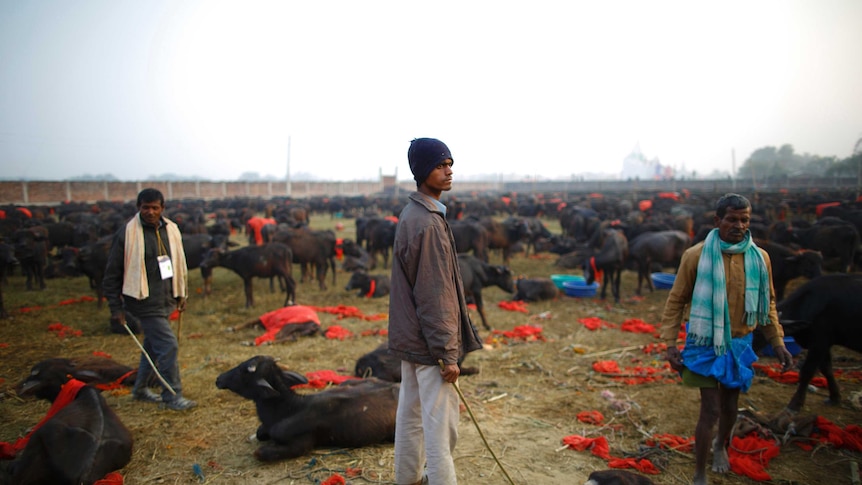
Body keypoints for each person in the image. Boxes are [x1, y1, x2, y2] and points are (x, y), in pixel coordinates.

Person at [660, 193, 793, 485]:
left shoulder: (760, 258)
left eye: (744, 219)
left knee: (731, 406)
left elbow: (768, 303)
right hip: (704, 342)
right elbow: (676, 301)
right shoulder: (695, 256)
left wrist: (778, 341)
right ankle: (699, 471)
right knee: (710, 408)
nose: (739, 225)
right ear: (717, 220)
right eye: (732, 219)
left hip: (739, 343)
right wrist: (670, 344)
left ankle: (721, 445)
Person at [388, 138, 483, 485]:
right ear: (421, 171)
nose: (449, 170)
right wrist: (446, 352)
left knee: (410, 416)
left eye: (450, 163)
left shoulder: (413, 214)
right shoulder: (427, 223)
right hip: (430, 345)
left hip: (411, 337)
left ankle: (407, 479)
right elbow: (435, 294)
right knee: (441, 428)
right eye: (440, 164)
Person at [103, 188, 197, 411]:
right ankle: (172, 395)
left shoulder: (171, 229)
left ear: (162, 209)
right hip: (143, 299)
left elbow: (177, 265)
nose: (150, 212)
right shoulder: (128, 233)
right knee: (168, 345)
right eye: (146, 207)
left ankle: (140, 389)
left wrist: (180, 293)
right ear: (139, 207)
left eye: (155, 207)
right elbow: (112, 273)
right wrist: (115, 308)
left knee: (153, 347)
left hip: (166, 298)